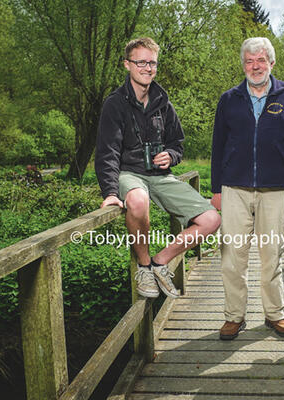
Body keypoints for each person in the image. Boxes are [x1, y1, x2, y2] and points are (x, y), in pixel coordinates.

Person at [211, 37, 284, 340]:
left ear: (271, 63)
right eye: (249, 61)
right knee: (232, 257)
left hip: (274, 190)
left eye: (261, 60)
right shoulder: (229, 99)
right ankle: (234, 317)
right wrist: (216, 189)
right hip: (234, 187)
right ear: (243, 65)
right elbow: (217, 146)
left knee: (272, 254)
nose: (255, 66)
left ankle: (275, 314)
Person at [95, 37, 220, 299]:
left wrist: (170, 156)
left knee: (212, 219)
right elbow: (107, 152)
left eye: (152, 63)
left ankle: (159, 262)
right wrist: (109, 192)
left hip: (161, 176)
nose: (147, 68)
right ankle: (143, 267)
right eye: (141, 62)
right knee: (138, 201)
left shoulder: (163, 103)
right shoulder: (115, 103)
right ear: (127, 64)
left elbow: (178, 143)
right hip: (130, 173)